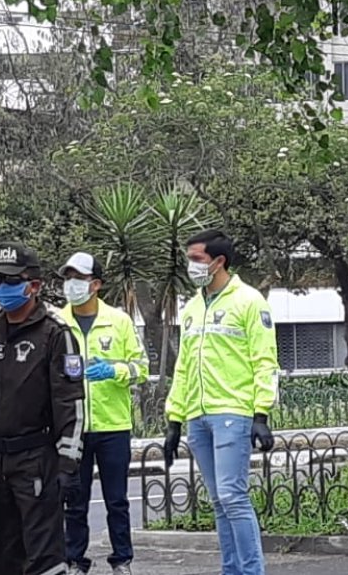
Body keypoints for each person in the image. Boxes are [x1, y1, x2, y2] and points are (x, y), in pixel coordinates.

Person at [162, 230, 279, 575]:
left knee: (232, 497)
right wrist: (174, 419)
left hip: (233, 412)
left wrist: (261, 413)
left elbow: (265, 360)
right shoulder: (193, 306)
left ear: (219, 261)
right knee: (218, 502)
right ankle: (232, 570)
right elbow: (183, 366)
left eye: (197, 259)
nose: (191, 265)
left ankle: (252, 570)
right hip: (198, 416)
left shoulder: (249, 301)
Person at [0, 242, 87, 575]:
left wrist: (69, 461)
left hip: (37, 459)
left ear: (33, 286)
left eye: (10, 281)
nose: (1, 289)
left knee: (43, 557)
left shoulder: (55, 335)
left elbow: (71, 402)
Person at [58, 252, 149, 575]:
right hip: (72, 426)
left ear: (95, 284)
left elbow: (142, 368)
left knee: (116, 500)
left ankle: (121, 559)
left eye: (79, 279)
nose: (72, 285)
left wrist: (115, 369)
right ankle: (75, 560)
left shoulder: (119, 320)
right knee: (74, 500)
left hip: (113, 425)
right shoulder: (57, 322)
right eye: (68, 278)